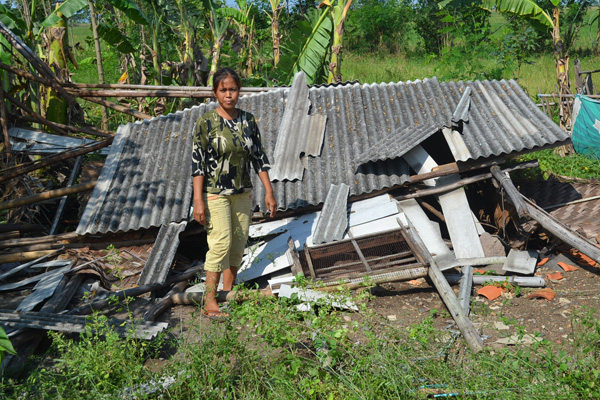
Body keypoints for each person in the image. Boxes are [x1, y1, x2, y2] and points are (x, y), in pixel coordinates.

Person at [192, 68, 277, 320]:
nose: (229, 95)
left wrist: (269, 191)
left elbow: (259, 158)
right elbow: (197, 164)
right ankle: (209, 300)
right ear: (215, 92)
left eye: (233, 89)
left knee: (238, 244)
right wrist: (198, 200)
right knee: (220, 243)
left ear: (239, 91)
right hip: (215, 193)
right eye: (223, 90)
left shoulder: (248, 121)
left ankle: (227, 293)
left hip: (243, 193)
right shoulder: (206, 122)